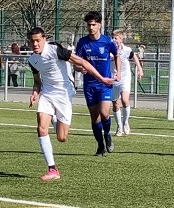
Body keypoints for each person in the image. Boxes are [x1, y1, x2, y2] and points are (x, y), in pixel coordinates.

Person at [27, 26, 115, 181]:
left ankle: (55, 119)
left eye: (38, 40)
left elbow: (82, 62)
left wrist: (102, 78)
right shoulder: (32, 60)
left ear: (44, 39)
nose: (35, 44)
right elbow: (37, 82)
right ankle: (52, 169)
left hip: (64, 94)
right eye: (32, 41)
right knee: (41, 128)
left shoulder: (55, 50)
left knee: (62, 138)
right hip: (47, 94)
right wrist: (35, 92)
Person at [74, 11, 120, 156]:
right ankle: (100, 145)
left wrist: (118, 72)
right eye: (89, 25)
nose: (91, 27)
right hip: (89, 85)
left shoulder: (107, 41)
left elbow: (116, 55)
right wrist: (79, 68)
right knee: (94, 117)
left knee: (105, 113)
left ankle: (107, 134)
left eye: (93, 24)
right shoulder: (82, 43)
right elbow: (76, 63)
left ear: (99, 25)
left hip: (104, 83)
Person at [111, 28, 144, 135]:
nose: (114, 40)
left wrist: (139, 69)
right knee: (115, 103)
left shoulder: (127, 50)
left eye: (116, 38)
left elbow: (134, 56)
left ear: (121, 39)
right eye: (113, 38)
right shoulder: (109, 50)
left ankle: (125, 123)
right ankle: (119, 126)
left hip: (124, 78)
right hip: (113, 78)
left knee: (125, 100)